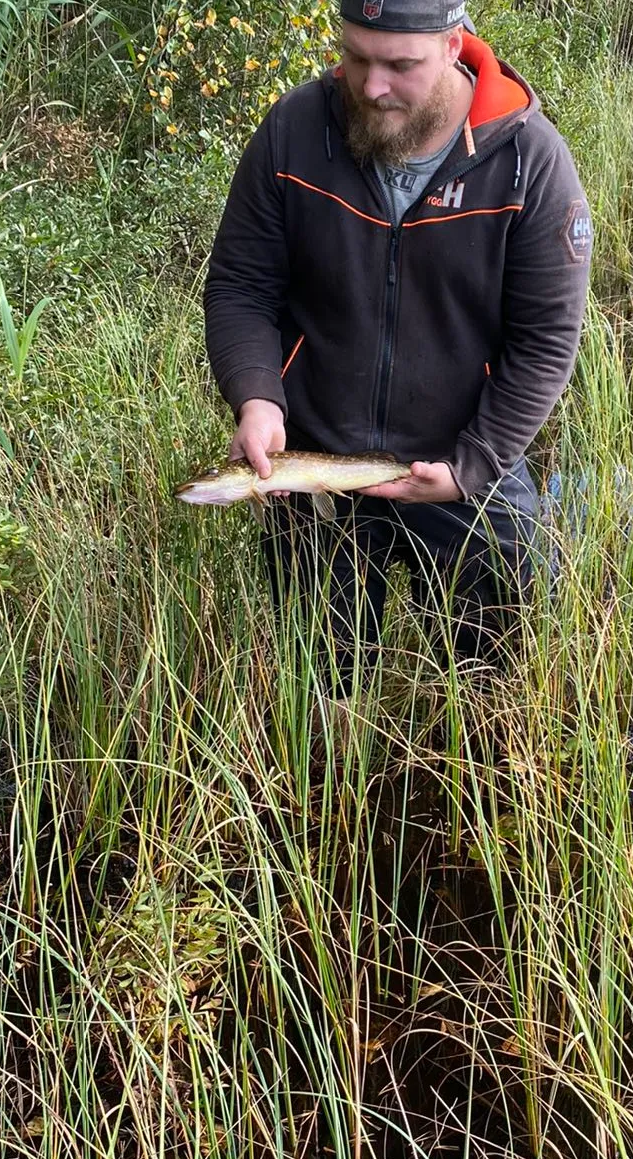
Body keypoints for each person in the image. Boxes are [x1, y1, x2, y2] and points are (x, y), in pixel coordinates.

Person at [202, 0, 592, 694]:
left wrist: (470, 464)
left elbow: (546, 341)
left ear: (453, 45)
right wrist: (257, 397)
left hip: (463, 459)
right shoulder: (293, 132)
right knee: (321, 690)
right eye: (355, 56)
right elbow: (241, 286)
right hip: (316, 458)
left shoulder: (530, 162)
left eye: (399, 65)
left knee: (487, 685)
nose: (371, 85)